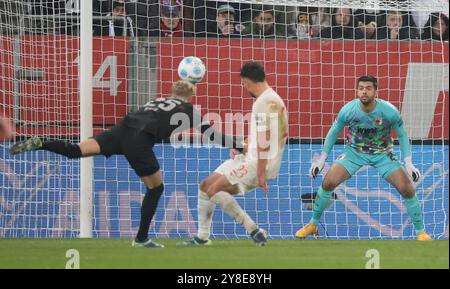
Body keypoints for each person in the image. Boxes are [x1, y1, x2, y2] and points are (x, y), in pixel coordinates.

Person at [9, 80, 243, 248]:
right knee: (156, 188)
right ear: (190, 95)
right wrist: (238, 144)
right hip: (139, 139)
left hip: (121, 130)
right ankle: (141, 239)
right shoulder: (189, 110)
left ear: (171, 92)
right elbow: (211, 135)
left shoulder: (157, 101)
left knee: (76, 150)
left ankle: (41, 143)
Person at [294, 75, 432, 241]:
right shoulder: (348, 110)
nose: (364, 92)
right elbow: (333, 132)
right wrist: (322, 159)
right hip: (354, 153)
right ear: (357, 90)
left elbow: (402, 135)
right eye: (361, 88)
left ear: (376, 91)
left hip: (382, 154)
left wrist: (408, 163)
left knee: (406, 188)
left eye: (368, 88)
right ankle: (313, 224)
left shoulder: (389, 111)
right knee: (329, 181)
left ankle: (421, 232)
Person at [177, 61, 288, 247]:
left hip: (258, 163)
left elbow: (265, 140)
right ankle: (202, 237)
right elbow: (265, 134)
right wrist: (243, 144)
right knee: (205, 186)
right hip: (250, 156)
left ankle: (254, 230)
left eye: (244, 84)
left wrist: (261, 173)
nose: (244, 88)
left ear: (246, 81)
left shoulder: (263, 103)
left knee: (214, 191)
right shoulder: (271, 99)